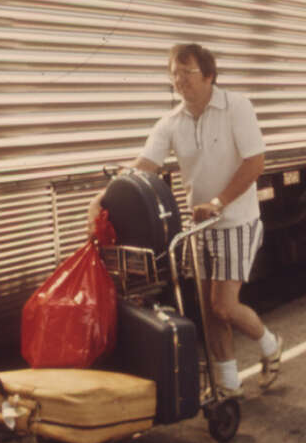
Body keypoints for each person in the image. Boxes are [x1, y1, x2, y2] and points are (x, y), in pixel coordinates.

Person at [86, 43, 282, 396]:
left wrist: (219, 201)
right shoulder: (171, 121)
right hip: (200, 225)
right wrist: (102, 196)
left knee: (224, 305)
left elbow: (255, 163)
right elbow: (145, 166)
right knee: (209, 312)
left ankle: (270, 344)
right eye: (174, 73)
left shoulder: (236, 107)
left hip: (236, 218)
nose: (179, 80)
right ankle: (229, 385)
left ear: (209, 74)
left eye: (187, 72)